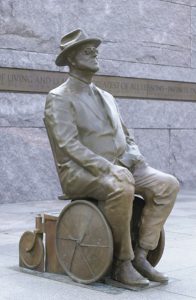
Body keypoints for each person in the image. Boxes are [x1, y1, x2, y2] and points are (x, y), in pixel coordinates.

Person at [44, 29, 180, 288]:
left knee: (168, 184)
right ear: (71, 59)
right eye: (87, 50)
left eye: (95, 49)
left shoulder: (107, 96)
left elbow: (127, 135)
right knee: (121, 185)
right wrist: (107, 168)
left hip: (122, 166)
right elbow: (68, 144)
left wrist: (135, 156)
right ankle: (122, 263)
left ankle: (142, 255)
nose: (95, 53)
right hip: (81, 172)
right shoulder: (59, 98)